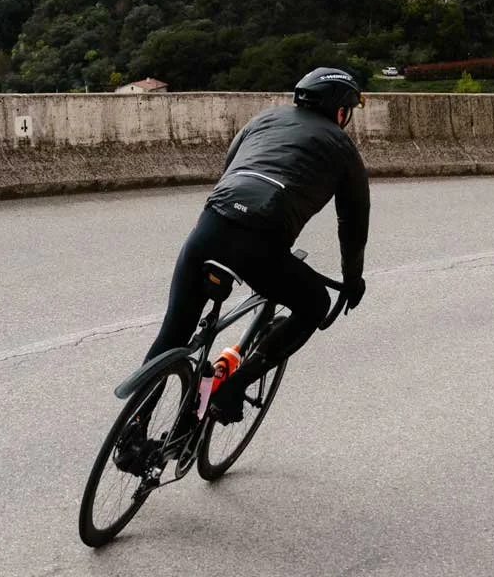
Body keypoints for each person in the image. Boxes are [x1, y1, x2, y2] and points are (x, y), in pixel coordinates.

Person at [140, 66, 370, 425]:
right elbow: (353, 222)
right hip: (261, 242)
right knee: (314, 303)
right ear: (341, 111)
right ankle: (232, 389)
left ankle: (132, 432)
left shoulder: (265, 118)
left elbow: (231, 166)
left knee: (172, 334)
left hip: (211, 224)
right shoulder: (341, 147)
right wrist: (352, 278)